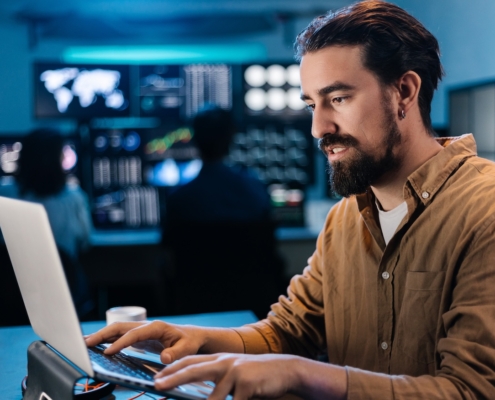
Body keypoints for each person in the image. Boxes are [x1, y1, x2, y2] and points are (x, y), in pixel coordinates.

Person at [85, 1, 495, 398]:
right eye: (312, 104)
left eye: (338, 99)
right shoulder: (344, 221)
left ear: (404, 91)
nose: (318, 128)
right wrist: (196, 338)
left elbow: (470, 390)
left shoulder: (483, 211)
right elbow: (286, 333)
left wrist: (302, 375)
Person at [163, 105, 283, 317]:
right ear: (231, 139)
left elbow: (167, 260)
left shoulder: (179, 199)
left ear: (195, 140)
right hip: (253, 308)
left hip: (195, 308)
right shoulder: (255, 191)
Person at [2, 128, 94, 317]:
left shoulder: (5, 195)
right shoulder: (73, 198)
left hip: (11, 291)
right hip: (62, 293)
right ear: (58, 160)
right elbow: (86, 241)